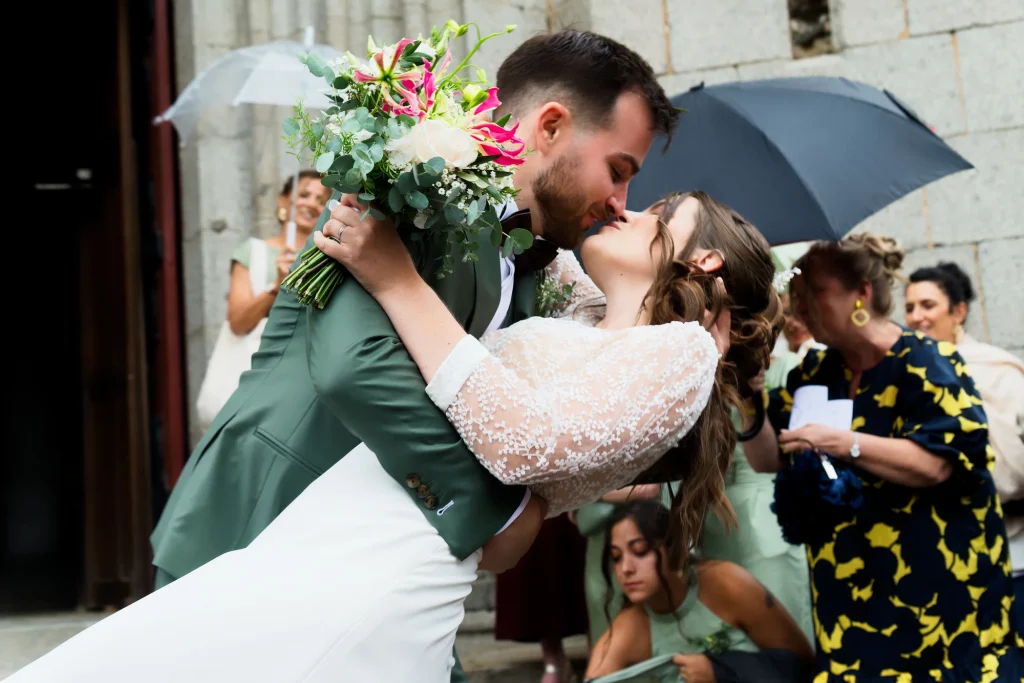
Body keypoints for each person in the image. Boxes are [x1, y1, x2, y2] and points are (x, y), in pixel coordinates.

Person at [9, 188, 782, 683]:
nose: (624, 206)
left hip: (390, 554)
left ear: (703, 258)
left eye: (655, 214)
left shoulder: (684, 352)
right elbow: (528, 195)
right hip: (344, 519)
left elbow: (525, 443)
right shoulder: (591, 318)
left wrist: (396, 280)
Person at [740, 233, 1024, 681]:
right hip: (850, 595)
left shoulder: (926, 360)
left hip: (937, 594)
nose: (801, 308)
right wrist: (747, 396)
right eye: (796, 296)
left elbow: (937, 463)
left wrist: (844, 442)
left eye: (815, 293)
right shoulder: (816, 371)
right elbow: (769, 459)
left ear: (862, 293)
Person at [905, 261, 1024, 632]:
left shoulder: (998, 371)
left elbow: (1014, 464)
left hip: (1011, 546)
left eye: (928, 305)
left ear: (958, 311)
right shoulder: (904, 374)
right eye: (909, 307)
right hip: (939, 554)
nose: (917, 317)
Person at [584, 500, 813, 683]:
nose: (626, 569)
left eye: (640, 551)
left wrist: (722, 670)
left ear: (673, 547)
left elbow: (803, 664)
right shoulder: (629, 627)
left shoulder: (726, 583)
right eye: (616, 557)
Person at [226, 171, 329, 336]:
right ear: (283, 200)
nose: (311, 204)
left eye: (321, 201)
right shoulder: (253, 252)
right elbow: (238, 324)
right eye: (304, 195)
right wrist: (277, 287)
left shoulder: (328, 259)